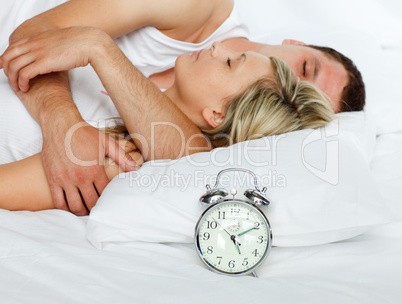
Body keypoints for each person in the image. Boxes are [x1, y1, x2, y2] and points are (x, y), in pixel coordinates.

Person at [0, 0, 363, 215]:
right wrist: (63, 122)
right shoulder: (201, 10)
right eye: (303, 70)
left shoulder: (157, 154)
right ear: (294, 44)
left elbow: (190, 156)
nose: (288, 91)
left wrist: (97, 47)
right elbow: (36, 34)